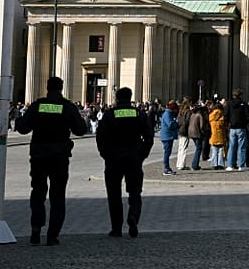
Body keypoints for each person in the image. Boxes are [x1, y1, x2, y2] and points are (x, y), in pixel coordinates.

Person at [14, 76, 89, 245]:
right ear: (61, 88)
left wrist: (18, 120)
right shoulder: (67, 107)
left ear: (47, 88)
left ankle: (35, 228)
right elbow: (80, 130)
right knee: (57, 195)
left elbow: (23, 128)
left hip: (39, 156)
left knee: (38, 193)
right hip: (59, 157)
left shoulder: (37, 105)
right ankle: (52, 235)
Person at [95, 87, 152, 238]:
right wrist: (142, 155)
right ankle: (133, 216)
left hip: (113, 158)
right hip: (134, 157)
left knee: (114, 194)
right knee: (135, 192)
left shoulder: (109, 115)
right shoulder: (139, 114)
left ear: (117, 98)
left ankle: (116, 228)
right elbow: (149, 136)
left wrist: (105, 154)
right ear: (130, 97)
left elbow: (100, 137)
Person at [157, 101, 179, 175]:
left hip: (168, 136)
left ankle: (167, 168)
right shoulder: (168, 114)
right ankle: (166, 168)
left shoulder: (169, 114)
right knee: (167, 153)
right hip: (167, 136)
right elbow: (170, 125)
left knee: (168, 153)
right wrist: (176, 122)